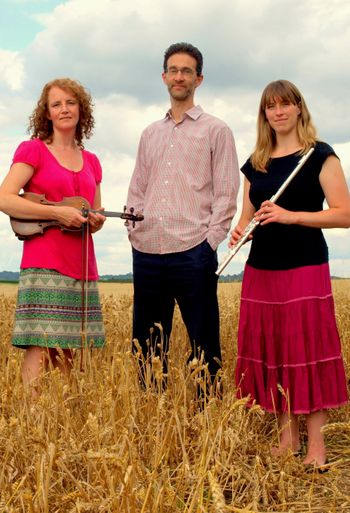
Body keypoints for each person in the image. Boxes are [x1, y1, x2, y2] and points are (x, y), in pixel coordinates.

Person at [231, 79, 350, 469]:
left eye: (285, 104)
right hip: (262, 270)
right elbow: (248, 217)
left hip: (305, 267)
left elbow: (344, 213)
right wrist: (240, 231)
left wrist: (291, 216)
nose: (278, 112)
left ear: (299, 108)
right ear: (264, 114)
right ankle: (288, 438)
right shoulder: (257, 163)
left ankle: (316, 445)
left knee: (308, 351)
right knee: (277, 352)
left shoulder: (320, 156)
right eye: (270, 107)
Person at [127, 42, 240, 386]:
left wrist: (209, 245)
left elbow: (226, 193)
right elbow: (137, 187)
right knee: (147, 346)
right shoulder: (150, 133)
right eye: (173, 70)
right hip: (147, 251)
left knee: (204, 344)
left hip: (193, 251)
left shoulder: (216, 130)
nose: (179, 76)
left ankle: (207, 427)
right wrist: (134, 230)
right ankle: (154, 421)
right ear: (164, 77)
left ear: (198, 79)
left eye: (186, 71)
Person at [0, 78, 106, 395]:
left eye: (70, 102)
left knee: (70, 350)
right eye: (56, 104)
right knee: (41, 346)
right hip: (45, 261)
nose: (64, 109)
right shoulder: (33, 150)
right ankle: (33, 426)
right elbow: (5, 198)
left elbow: (94, 211)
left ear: (81, 109)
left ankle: (60, 426)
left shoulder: (92, 161)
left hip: (82, 264)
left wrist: (95, 220)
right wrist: (57, 213)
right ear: (46, 113)